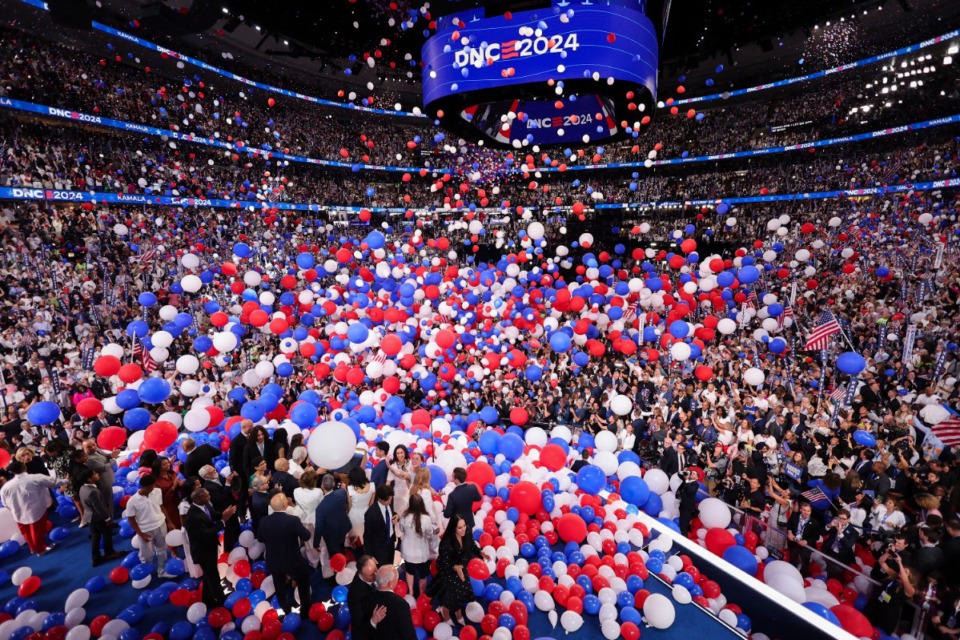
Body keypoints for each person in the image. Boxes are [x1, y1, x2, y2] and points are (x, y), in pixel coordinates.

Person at [429, 513, 489, 625]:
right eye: (459, 527)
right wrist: (454, 567)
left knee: (461, 594)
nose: (463, 530)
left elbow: (471, 546)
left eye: (464, 526)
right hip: (447, 571)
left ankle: (458, 613)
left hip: (461, 568)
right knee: (450, 596)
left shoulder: (467, 533)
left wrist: (480, 552)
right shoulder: (446, 543)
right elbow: (443, 563)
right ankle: (445, 612)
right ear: (453, 528)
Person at [257, 493, 311, 614]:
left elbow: (260, 538)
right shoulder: (293, 520)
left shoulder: (264, 521)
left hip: (274, 559)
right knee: (303, 581)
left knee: (279, 586)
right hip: (293, 559)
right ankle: (305, 610)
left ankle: (286, 609)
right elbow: (306, 536)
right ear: (285, 504)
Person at [184, 486, 237, 607]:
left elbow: (214, 515)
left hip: (210, 547)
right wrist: (223, 521)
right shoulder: (193, 517)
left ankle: (207, 598)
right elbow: (206, 534)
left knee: (209, 575)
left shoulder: (206, 504)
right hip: (203, 551)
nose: (210, 497)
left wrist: (223, 514)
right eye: (207, 495)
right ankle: (222, 602)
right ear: (198, 499)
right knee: (213, 576)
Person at [0, 460, 57, 555]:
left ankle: (33, 548)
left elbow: (5, 503)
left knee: (26, 532)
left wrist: (13, 509)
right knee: (37, 530)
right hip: (35, 510)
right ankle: (40, 549)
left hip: (18, 512)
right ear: (24, 467)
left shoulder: (6, 487)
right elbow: (53, 482)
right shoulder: (34, 478)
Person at [123, 475, 172, 577]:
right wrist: (141, 534)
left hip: (160, 524)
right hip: (145, 530)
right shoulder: (132, 501)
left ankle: (162, 571)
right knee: (147, 554)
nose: (152, 489)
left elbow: (161, 507)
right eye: (149, 487)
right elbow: (131, 520)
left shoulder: (157, 491)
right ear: (142, 486)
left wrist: (169, 522)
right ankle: (145, 573)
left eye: (153, 486)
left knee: (162, 549)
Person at [78, 467, 123, 566]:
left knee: (95, 537)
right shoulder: (93, 491)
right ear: (89, 479)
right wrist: (107, 518)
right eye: (94, 473)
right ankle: (109, 553)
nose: (97, 474)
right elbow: (99, 507)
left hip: (89, 516)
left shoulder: (83, 488)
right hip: (99, 517)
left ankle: (96, 558)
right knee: (107, 534)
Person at [362, 566, 417, 640]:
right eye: (396, 579)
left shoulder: (366, 599)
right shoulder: (401, 605)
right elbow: (409, 636)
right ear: (390, 583)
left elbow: (361, 631)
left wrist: (373, 622)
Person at [398, 493, 437, 598]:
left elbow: (401, 530)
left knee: (409, 571)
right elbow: (429, 534)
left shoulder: (404, 516)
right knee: (423, 575)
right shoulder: (426, 519)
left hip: (408, 551)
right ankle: (421, 594)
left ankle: (410, 592)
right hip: (421, 553)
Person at [200, 465, 241, 552]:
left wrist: (235, 478)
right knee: (229, 530)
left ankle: (239, 541)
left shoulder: (219, 476)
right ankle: (228, 550)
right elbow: (222, 498)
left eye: (214, 469)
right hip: (224, 510)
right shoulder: (208, 487)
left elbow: (230, 488)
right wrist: (227, 483)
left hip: (232, 505)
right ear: (206, 476)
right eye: (212, 471)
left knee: (235, 525)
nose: (215, 471)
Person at [348, 555, 387, 640]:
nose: (376, 574)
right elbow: (360, 626)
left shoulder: (369, 569)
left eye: (375, 569)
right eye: (371, 574)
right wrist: (373, 621)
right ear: (361, 575)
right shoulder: (355, 596)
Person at [313, 473, 351, 557]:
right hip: (343, 527)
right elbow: (344, 491)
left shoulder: (320, 508)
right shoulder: (342, 492)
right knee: (341, 547)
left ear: (322, 486)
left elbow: (318, 528)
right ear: (333, 484)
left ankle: (338, 568)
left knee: (335, 555)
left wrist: (316, 544)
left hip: (331, 535)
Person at [82, 438, 119, 519]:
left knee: (109, 500)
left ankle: (111, 517)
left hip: (108, 479)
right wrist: (114, 459)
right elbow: (103, 468)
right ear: (84, 449)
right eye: (89, 447)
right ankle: (109, 520)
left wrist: (111, 454)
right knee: (106, 502)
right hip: (102, 482)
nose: (92, 447)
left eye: (93, 444)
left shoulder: (97, 450)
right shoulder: (89, 459)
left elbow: (106, 456)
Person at [293, 469, 323, 568]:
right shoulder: (318, 492)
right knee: (320, 542)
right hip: (316, 521)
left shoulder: (296, 491)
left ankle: (313, 563)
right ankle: (321, 561)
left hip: (304, 521)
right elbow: (321, 505)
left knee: (309, 544)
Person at [364, 484, 397, 568]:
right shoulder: (371, 513)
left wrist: (397, 516)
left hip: (391, 545)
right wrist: (370, 555)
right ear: (379, 498)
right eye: (387, 500)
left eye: (391, 498)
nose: (390, 501)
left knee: (390, 568)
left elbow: (392, 514)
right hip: (379, 549)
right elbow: (367, 536)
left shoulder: (389, 503)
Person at [822, 509, 859, 578]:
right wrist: (829, 525)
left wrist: (840, 533)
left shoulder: (854, 532)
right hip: (829, 551)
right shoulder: (833, 525)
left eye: (844, 519)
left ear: (848, 519)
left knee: (834, 573)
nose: (841, 520)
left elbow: (848, 546)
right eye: (839, 518)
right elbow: (822, 533)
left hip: (841, 557)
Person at [229, 419, 254, 518]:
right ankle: (242, 516)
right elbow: (232, 458)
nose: (252, 428)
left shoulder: (251, 438)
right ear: (244, 428)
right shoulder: (236, 441)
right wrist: (234, 472)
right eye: (250, 427)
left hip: (250, 470)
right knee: (243, 496)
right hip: (241, 473)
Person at [786, 502, 822, 570]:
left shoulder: (815, 523)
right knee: (793, 557)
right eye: (804, 510)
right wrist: (789, 532)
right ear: (800, 510)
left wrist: (807, 541)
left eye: (808, 511)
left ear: (810, 512)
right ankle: (792, 570)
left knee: (805, 560)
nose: (806, 512)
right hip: (794, 542)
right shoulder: (794, 515)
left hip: (806, 545)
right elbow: (789, 524)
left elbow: (816, 536)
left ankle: (803, 575)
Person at [443, 467, 481, 532]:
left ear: (456, 479)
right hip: (469, 523)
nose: (451, 478)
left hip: (458, 526)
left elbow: (447, 515)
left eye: (452, 476)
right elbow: (478, 498)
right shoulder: (472, 487)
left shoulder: (452, 495)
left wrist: (445, 509)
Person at [347, 465, 375, 548]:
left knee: (354, 538)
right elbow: (371, 504)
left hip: (354, 515)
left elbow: (349, 504)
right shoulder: (372, 486)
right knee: (364, 536)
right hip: (366, 514)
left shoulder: (350, 488)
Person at [152, 456, 183, 530]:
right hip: (168, 507)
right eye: (164, 464)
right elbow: (162, 500)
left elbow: (178, 488)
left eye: (168, 463)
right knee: (175, 526)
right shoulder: (156, 482)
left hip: (178, 502)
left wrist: (180, 485)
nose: (168, 465)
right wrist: (173, 487)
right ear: (158, 468)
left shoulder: (171, 474)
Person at [387, 445, 411, 517]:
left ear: (405, 453)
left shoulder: (410, 463)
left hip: (410, 493)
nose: (400, 455)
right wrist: (387, 496)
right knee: (399, 517)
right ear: (395, 455)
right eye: (398, 453)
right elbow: (388, 483)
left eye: (401, 452)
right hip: (398, 495)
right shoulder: (393, 466)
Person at [676, 469, 700, 535]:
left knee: (683, 526)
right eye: (692, 473)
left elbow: (690, 490)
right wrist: (684, 471)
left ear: (697, 478)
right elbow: (679, 474)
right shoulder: (687, 480)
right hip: (682, 505)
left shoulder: (696, 484)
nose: (692, 474)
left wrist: (686, 480)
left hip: (687, 508)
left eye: (694, 474)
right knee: (682, 523)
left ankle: (684, 540)